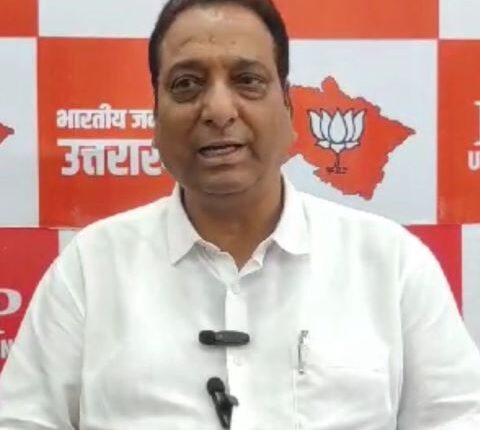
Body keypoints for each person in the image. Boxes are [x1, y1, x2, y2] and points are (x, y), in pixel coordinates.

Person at [1, 0, 480, 428]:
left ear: (288, 105)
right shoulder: (91, 268)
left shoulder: (391, 264)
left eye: (247, 81)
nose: (218, 109)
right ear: (156, 113)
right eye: (187, 85)